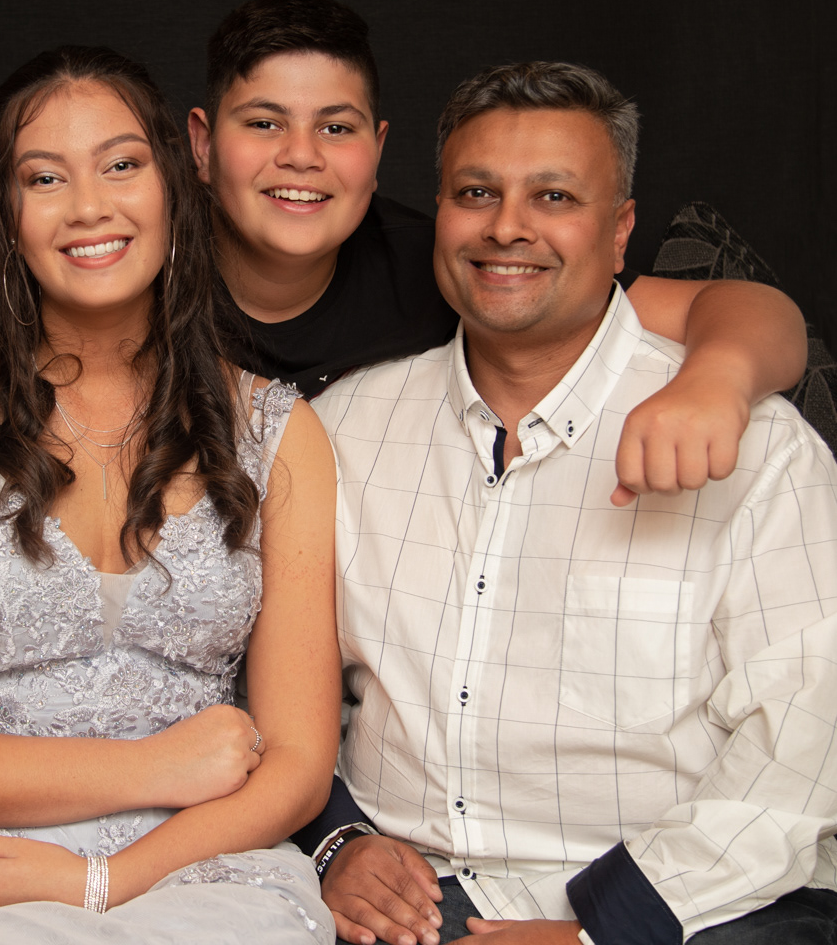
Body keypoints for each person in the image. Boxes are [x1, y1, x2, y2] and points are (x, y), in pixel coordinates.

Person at [0, 0, 809, 509]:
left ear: (378, 151)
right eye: (263, 124)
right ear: (199, 147)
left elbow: (742, 311)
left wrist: (714, 381)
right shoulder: (111, 253)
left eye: (336, 129)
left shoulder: (450, 264)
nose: (300, 160)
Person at [0, 45, 341, 943]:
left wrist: (105, 882)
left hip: (210, 867)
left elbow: (297, 761)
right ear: (6, 216)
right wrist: (151, 768)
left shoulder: (279, 433)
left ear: (174, 186)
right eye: (45, 177)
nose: (89, 206)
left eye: (121, 165)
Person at [303, 61, 837, 945]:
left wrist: (605, 929)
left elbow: (806, 747)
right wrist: (337, 842)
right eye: (477, 192)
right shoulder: (342, 429)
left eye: (553, 197)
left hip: (690, 909)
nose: (507, 226)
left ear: (620, 233)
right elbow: (279, 693)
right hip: (402, 900)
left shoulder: (759, 447)